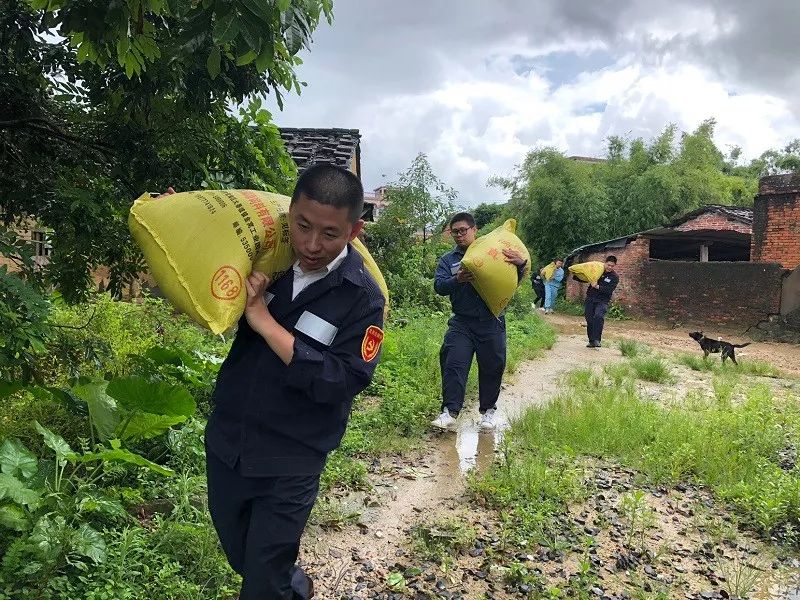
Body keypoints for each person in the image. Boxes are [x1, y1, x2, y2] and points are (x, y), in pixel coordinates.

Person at [199, 164, 386, 599]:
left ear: (354, 230)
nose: (312, 244)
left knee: (262, 581)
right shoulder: (271, 261)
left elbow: (339, 382)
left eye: (329, 234)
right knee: (245, 557)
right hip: (229, 442)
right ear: (290, 213)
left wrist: (265, 322)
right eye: (302, 226)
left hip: (291, 460)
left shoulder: (362, 297)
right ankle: (294, 587)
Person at [431, 212, 527, 431]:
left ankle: (488, 412)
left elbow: (512, 279)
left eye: (463, 230)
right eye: (454, 232)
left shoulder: (495, 253)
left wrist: (521, 265)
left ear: (475, 230)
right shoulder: (449, 260)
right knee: (453, 364)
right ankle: (449, 411)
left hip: (492, 321)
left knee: (493, 367)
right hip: (462, 323)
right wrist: (457, 279)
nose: (459, 235)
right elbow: (439, 286)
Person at [585, 255, 619, 348]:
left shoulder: (614, 277)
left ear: (614, 265)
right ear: (605, 263)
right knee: (589, 319)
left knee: (598, 316)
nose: (610, 267)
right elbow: (585, 277)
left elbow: (609, 290)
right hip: (590, 298)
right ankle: (591, 341)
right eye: (608, 265)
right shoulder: (598, 271)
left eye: (612, 266)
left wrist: (597, 286)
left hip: (603, 300)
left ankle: (597, 340)